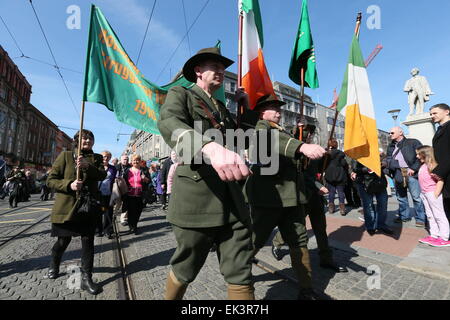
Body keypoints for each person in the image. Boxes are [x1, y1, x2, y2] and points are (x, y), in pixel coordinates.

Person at [157, 47, 255, 300]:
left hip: (233, 197)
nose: (221, 70)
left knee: (240, 270)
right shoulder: (182, 94)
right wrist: (208, 147)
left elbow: (241, 140)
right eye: (215, 66)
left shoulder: (221, 108)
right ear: (198, 71)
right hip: (198, 197)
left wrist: (246, 109)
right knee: (186, 265)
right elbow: (169, 123)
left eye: (223, 67)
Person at [245, 95, 326, 300]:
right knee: (256, 238)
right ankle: (238, 272)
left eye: (279, 108)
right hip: (269, 197)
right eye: (273, 108)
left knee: (299, 240)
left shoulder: (282, 131)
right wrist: (301, 146)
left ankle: (306, 288)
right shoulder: (261, 128)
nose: (279, 112)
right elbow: (274, 142)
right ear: (263, 112)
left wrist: (303, 133)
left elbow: (292, 147)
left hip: (292, 196)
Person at [271, 124, 347, 273]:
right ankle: (277, 243)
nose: (309, 135)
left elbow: (318, 171)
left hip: (316, 198)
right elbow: (301, 175)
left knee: (320, 229)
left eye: (311, 133)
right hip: (301, 195)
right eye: (306, 133)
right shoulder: (293, 151)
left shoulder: (312, 149)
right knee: (294, 226)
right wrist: (319, 186)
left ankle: (326, 259)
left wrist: (327, 158)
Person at [46, 129, 106, 295]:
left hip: (87, 208)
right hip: (67, 207)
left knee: (88, 242)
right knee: (63, 241)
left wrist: (88, 167)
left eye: (90, 138)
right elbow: (51, 180)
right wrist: (69, 185)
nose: (87, 141)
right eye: (84, 138)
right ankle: (54, 262)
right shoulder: (65, 156)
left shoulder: (97, 158)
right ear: (77, 141)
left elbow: (102, 174)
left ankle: (86, 278)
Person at [386, 126, 426, 227]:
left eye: (392, 133)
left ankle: (421, 218)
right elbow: (388, 159)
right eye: (389, 133)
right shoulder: (390, 146)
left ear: (401, 132)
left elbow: (422, 155)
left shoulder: (413, 142)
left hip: (411, 173)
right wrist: (389, 172)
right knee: (401, 197)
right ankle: (404, 216)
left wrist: (414, 168)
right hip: (397, 173)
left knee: (416, 197)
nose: (390, 135)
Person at [351, 152, 394, 236]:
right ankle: (370, 226)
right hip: (365, 183)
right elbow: (354, 168)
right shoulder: (358, 152)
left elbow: (386, 160)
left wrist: (383, 162)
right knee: (368, 206)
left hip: (379, 182)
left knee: (383, 205)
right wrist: (367, 169)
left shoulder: (376, 150)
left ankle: (381, 225)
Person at [416, 146, 450, 247]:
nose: (417, 156)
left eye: (418, 154)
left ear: (424, 154)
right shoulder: (423, 165)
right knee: (430, 215)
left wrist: (436, 194)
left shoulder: (432, 166)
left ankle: (444, 237)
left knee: (439, 215)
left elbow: (440, 179)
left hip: (432, 193)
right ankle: (434, 235)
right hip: (425, 193)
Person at [430, 103, 450, 223]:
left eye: (435, 113)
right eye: (431, 114)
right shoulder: (439, 129)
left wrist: (439, 172)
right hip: (444, 175)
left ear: (447, 112)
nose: (432, 116)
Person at [122, 154, 150, 235]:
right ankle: (132, 227)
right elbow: (124, 182)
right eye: (134, 160)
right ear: (132, 161)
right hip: (130, 195)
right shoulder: (128, 171)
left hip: (140, 195)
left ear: (140, 161)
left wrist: (145, 179)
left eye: (137, 160)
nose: (136, 161)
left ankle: (135, 224)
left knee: (138, 211)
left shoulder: (144, 170)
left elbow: (149, 181)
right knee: (130, 212)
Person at [324, 139, 348, 215]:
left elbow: (324, 164)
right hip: (340, 174)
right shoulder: (340, 154)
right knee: (340, 192)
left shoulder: (327, 154)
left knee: (331, 192)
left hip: (329, 174)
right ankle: (342, 209)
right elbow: (344, 163)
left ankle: (331, 208)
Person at [97, 150, 117, 239]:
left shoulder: (113, 168)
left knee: (108, 212)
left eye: (108, 157)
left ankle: (107, 231)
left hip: (108, 194)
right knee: (98, 212)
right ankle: (98, 230)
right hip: (97, 193)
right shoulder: (96, 167)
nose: (105, 158)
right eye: (104, 156)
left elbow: (114, 180)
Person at [115, 154, 131, 226]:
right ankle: (113, 215)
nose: (126, 160)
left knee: (126, 203)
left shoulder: (130, 167)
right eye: (124, 159)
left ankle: (123, 219)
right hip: (117, 188)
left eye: (127, 159)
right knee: (117, 203)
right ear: (121, 160)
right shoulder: (117, 167)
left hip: (127, 188)